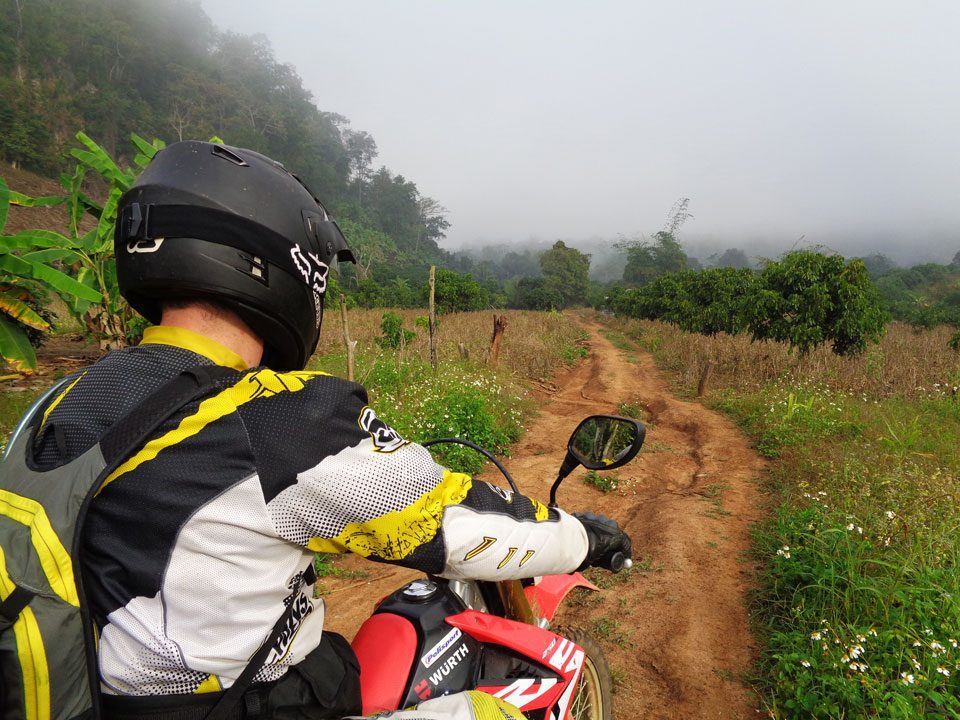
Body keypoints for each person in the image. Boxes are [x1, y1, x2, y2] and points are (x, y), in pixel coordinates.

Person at [31, 141, 631, 719]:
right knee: (515, 707)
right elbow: (454, 526)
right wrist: (583, 538)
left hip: (91, 696)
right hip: (239, 705)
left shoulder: (62, 401)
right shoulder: (273, 418)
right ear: (278, 265)